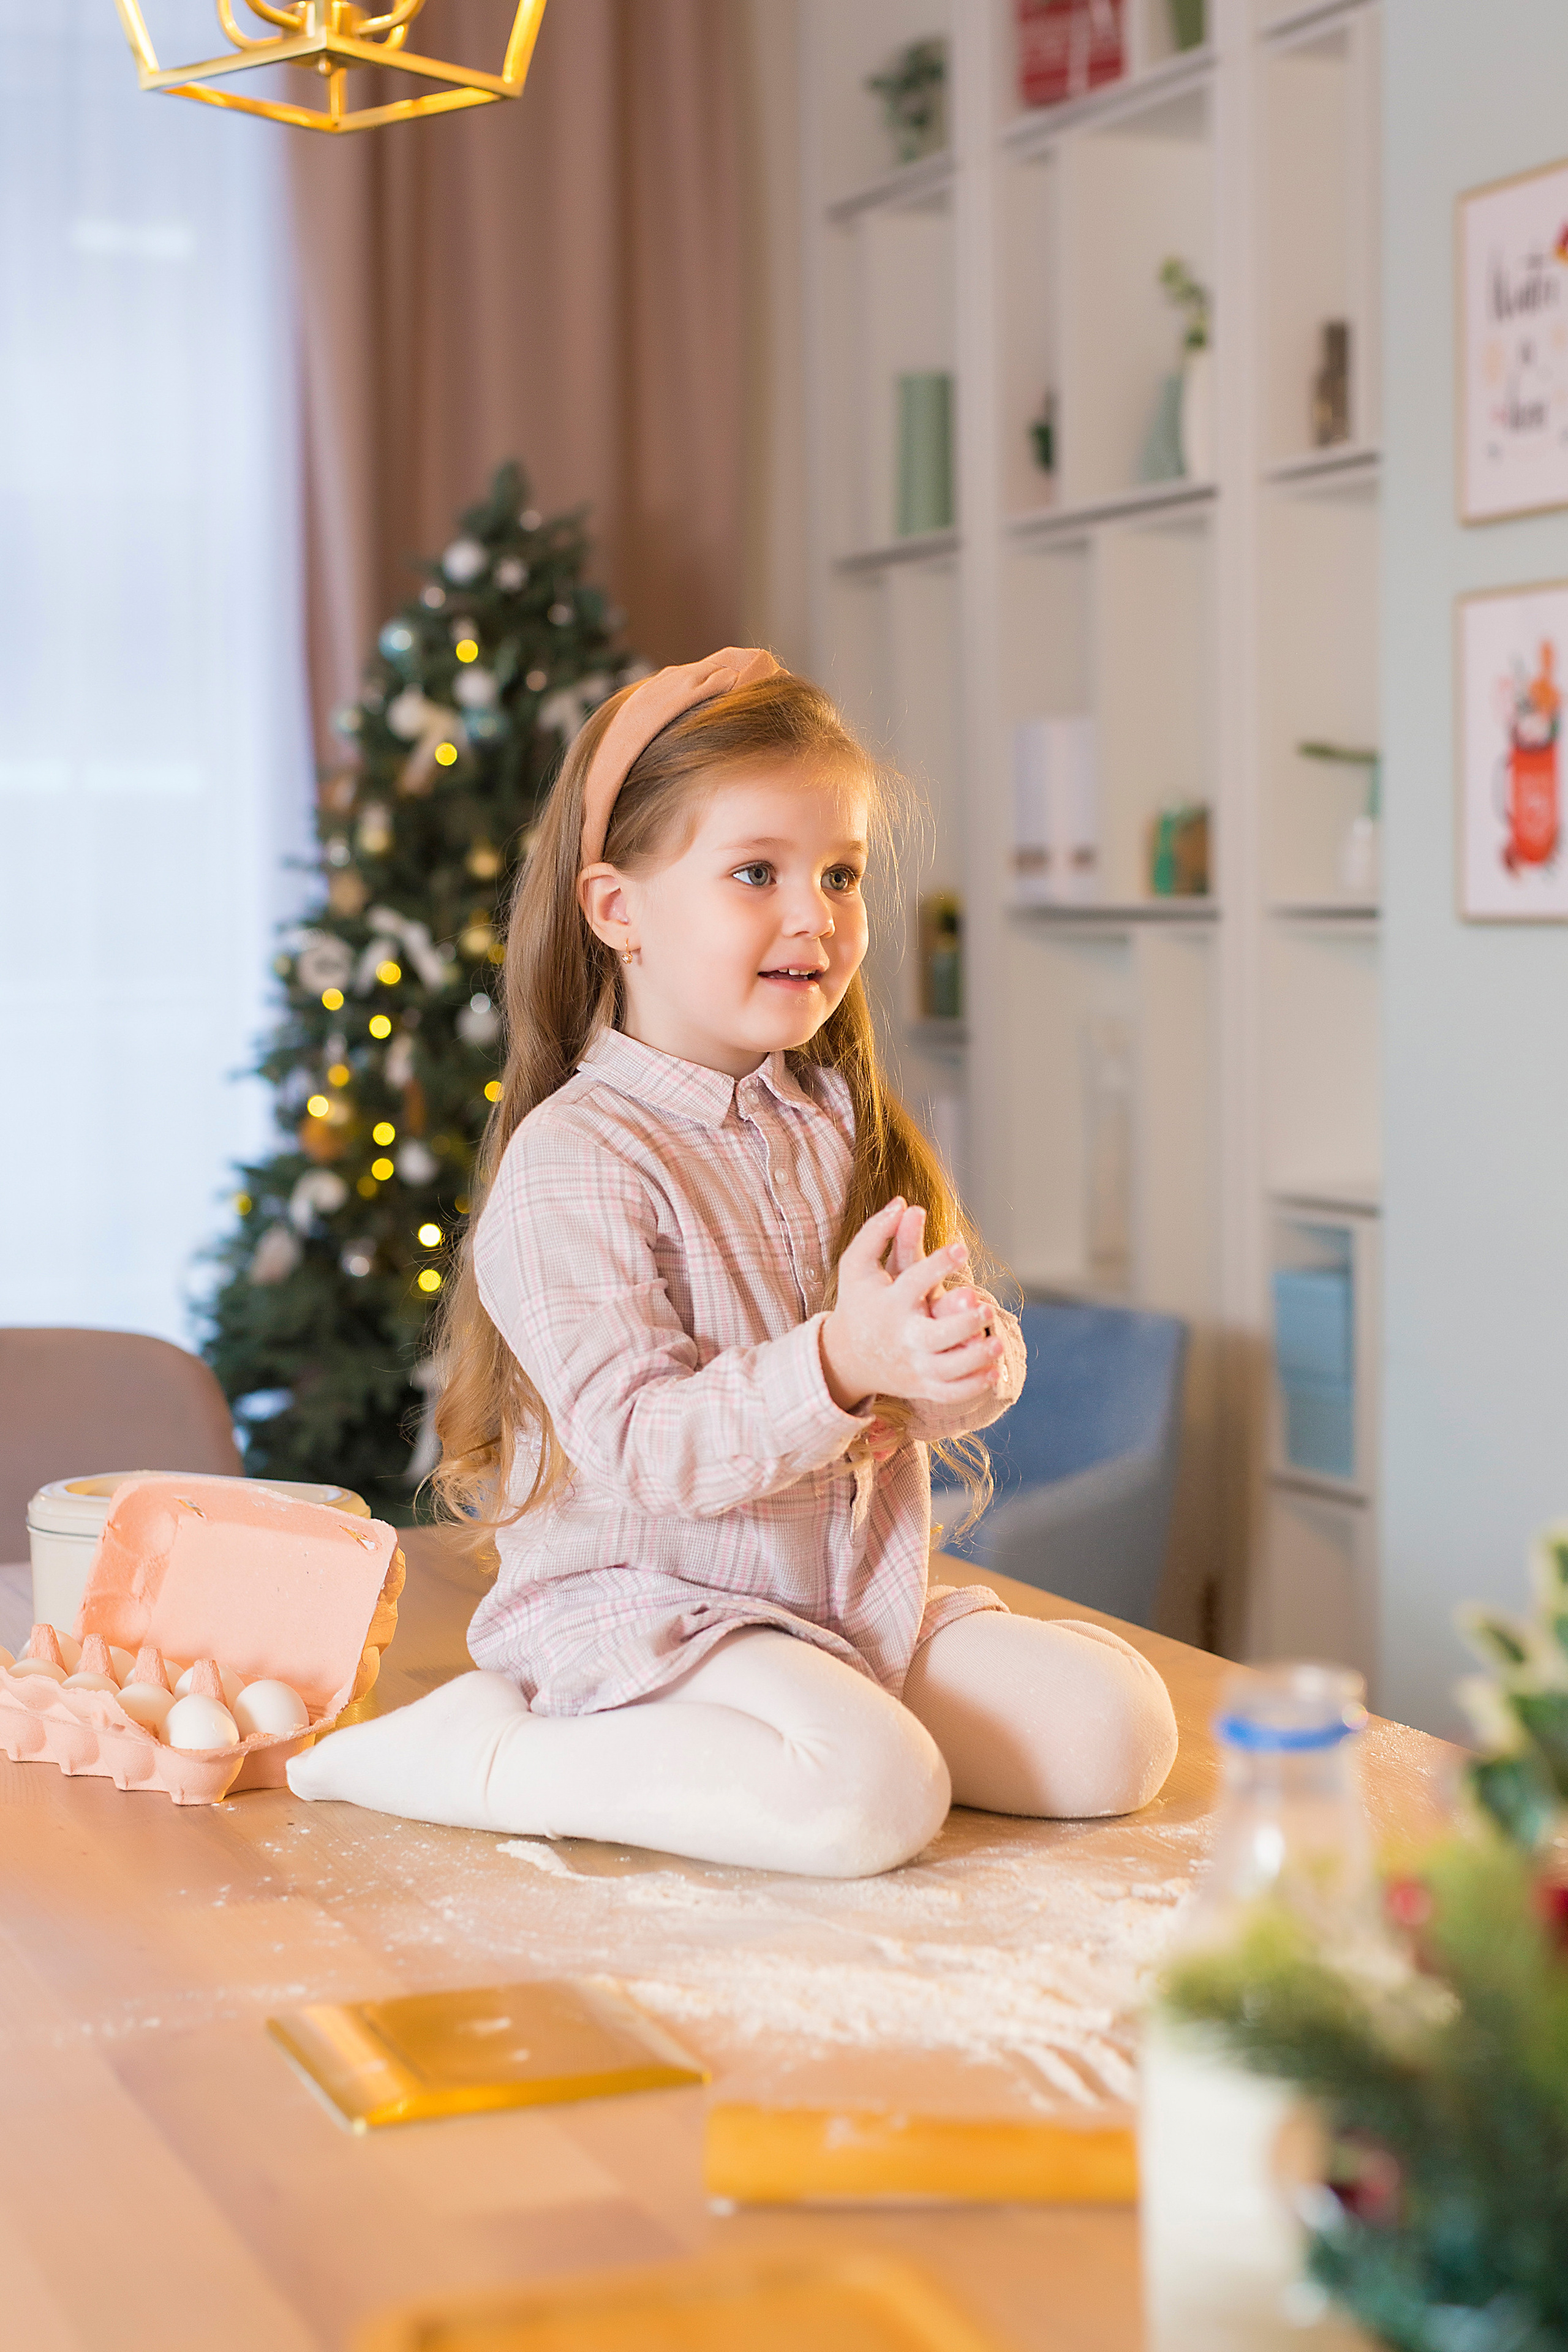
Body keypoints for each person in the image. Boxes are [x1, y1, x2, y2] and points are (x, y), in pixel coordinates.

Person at [288, 650, 1178, 1874]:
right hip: (645, 1607)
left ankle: (833, 1722)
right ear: (618, 910)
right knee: (868, 1800)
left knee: (1111, 1736)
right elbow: (648, 1445)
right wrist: (840, 1358)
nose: (811, 915)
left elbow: (900, 1380)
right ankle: (481, 1754)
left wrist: (950, 1365)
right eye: (754, 872)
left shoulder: (833, 1121)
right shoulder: (576, 1161)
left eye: (839, 874)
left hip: (837, 1606)